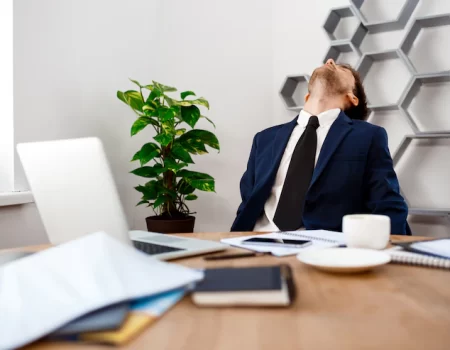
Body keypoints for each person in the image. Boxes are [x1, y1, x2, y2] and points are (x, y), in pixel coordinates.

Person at [231, 58, 410, 235]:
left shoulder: (368, 136)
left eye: (342, 68)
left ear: (352, 98)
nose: (330, 61)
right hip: (257, 243)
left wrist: (395, 252)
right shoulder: (264, 139)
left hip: (323, 251)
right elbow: (248, 203)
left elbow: (387, 204)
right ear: (307, 96)